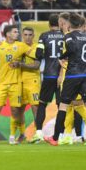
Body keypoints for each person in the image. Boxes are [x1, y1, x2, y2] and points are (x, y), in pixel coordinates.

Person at [44, 13, 86, 146]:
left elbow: (72, 48)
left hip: (73, 74)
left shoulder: (68, 36)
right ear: (80, 24)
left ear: (69, 25)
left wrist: (62, 56)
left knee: (63, 106)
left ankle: (56, 137)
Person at [0, 25, 36, 143]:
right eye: (15, 32)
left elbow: (34, 53)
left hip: (16, 83)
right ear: (8, 34)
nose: (17, 34)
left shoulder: (21, 46)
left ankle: (11, 137)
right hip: (2, 83)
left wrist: (43, 49)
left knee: (15, 110)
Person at [32, 14, 64, 143]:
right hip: (62, 75)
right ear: (60, 23)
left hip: (49, 74)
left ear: (49, 24)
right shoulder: (65, 36)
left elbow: (38, 54)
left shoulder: (44, 36)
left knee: (42, 104)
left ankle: (39, 132)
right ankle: (61, 134)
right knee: (62, 105)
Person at [14, 27, 41, 144]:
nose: (28, 37)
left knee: (35, 108)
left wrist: (20, 64)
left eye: (30, 35)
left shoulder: (37, 48)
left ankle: (37, 134)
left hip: (33, 81)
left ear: (33, 36)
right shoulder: (18, 47)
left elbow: (36, 65)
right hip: (20, 81)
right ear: (22, 35)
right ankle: (22, 134)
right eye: (25, 35)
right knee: (19, 110)